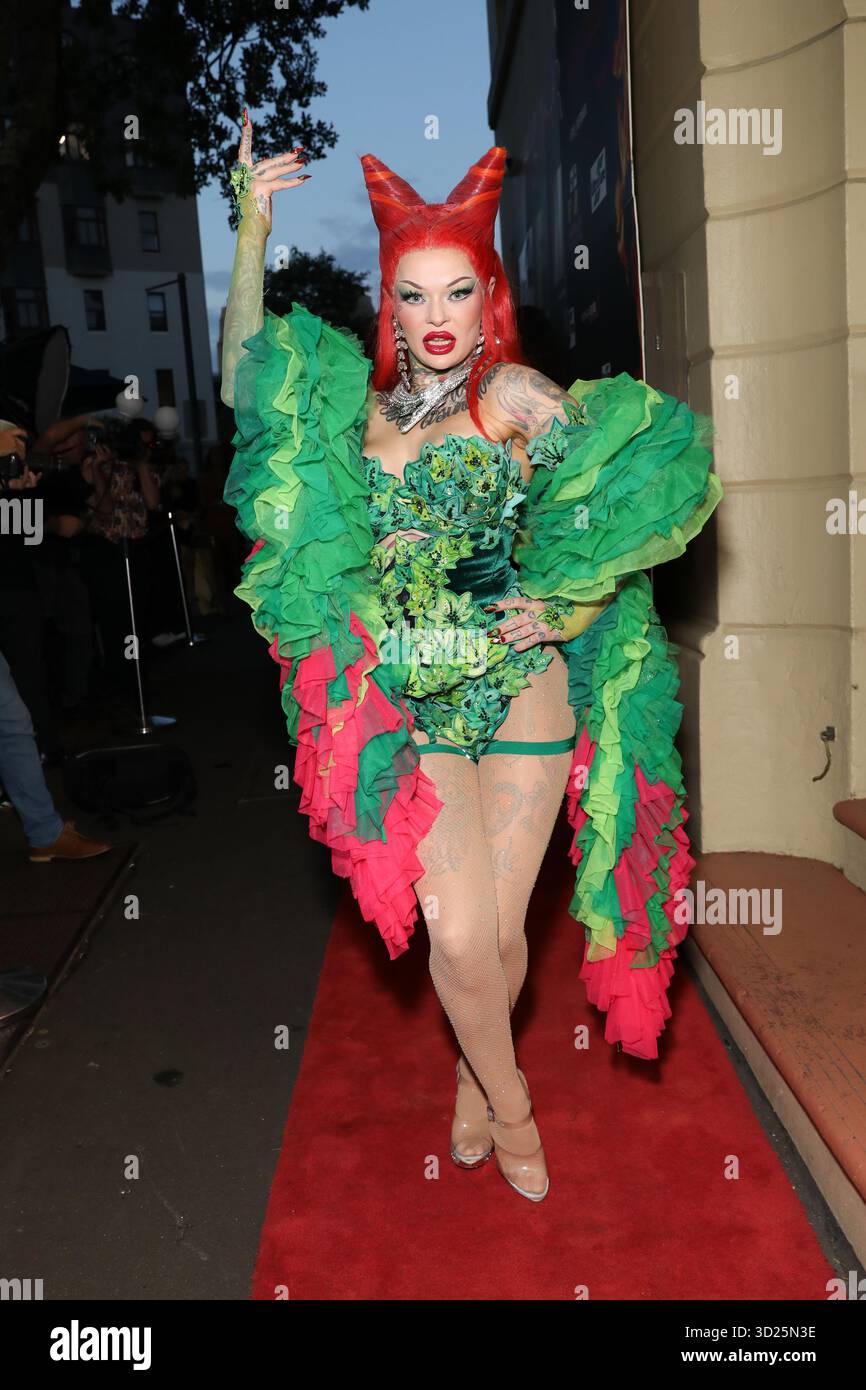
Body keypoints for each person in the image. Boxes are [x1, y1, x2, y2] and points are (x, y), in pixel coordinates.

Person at [220, 117, 723, 1203]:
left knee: (497, 932)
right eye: (414, 293)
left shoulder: (512, 397)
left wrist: (568, 597)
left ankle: (472, 1068)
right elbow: (247, 387)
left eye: (459, 292)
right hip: (409, 700)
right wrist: (251, 230)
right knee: (458, 934)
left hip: (521, 694)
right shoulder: (355, 413)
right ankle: (509, 1104)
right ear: (388, 301)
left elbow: (653, 473)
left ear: (487, 294)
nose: (436, 317)